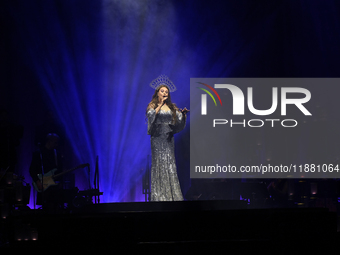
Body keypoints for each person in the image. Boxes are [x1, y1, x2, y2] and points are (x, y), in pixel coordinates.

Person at [146, 75, 189, 201]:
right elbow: (151, 117)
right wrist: (159, 105)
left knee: (169, 164)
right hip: (157, 138)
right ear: (157, 92)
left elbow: (178, 122)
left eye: (166, 92)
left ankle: (171, 197)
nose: (164, 93)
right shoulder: (152, 105)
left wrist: (183, 115)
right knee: (159, 164)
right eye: (162, 91)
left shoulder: (171, 107)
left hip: (168, 138)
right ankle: (159, 197)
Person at [29, 133, 64, 210]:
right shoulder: (39, 153)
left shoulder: (57, 154)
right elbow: (32, 169)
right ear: (49, 141)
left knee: (56, 207)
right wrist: (37, 181)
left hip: (55, 185)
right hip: (44, 185)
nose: (57, 145)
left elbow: (60, 169)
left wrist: (61, 181)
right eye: (55, 142)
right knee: (47, 207)